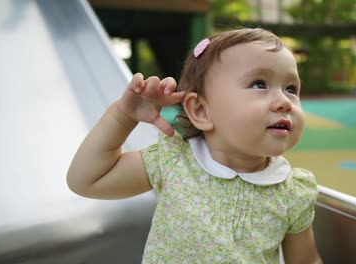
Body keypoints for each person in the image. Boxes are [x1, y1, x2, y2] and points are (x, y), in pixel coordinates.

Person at [67, 28, 322, 263]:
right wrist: (124, 115)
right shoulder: (175, 162)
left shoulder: (292, 193)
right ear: (200, 110)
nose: (284, 102)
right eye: (259, 84)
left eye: (291, 88)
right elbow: (87, 180)